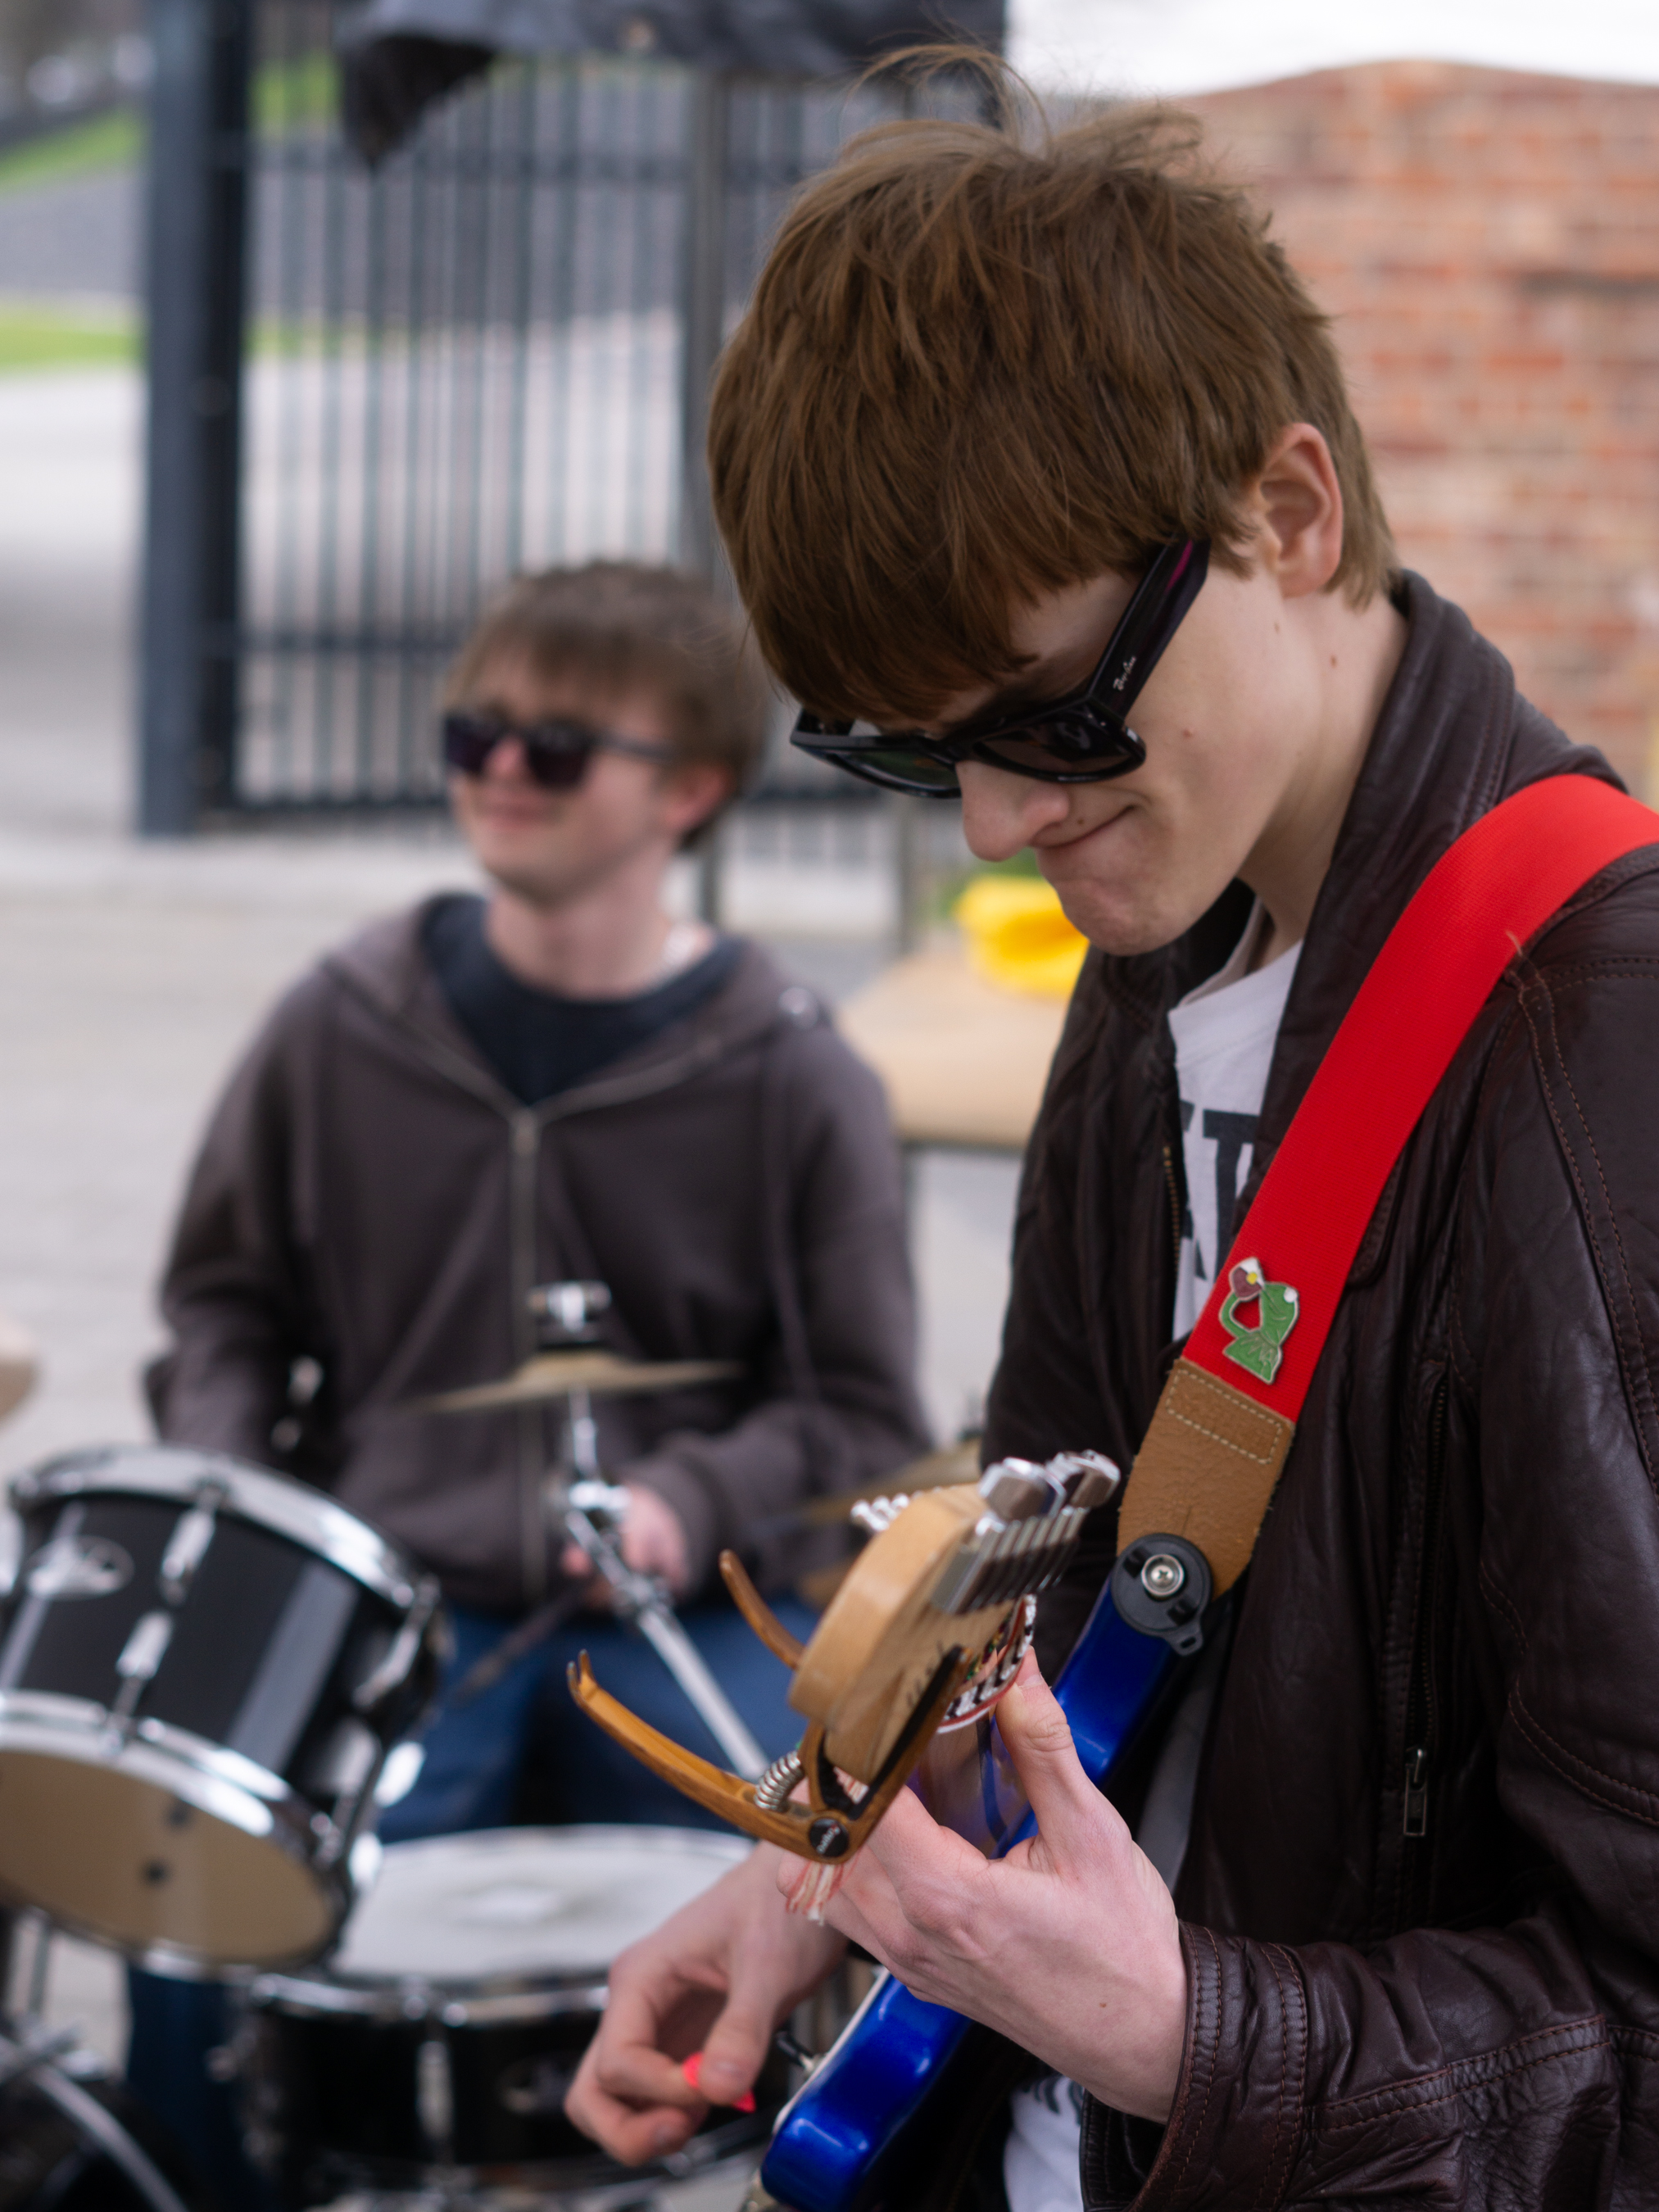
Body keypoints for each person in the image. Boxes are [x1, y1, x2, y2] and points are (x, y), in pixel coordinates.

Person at [566, 93, 1659, 2209]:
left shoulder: (1603, 1050)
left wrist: (1183, 2031)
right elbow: (1080, 1585)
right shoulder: (1158, 940)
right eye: (910, 747)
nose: (991, 821)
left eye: (1047, 708)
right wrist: (829, 1881)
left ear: (1289, 509)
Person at [130, 559, 930, 2201]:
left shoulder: (794, 1074)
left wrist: (680, 1500)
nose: (498, 767)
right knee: (188, 1945)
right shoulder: (339, 1025)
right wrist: (252, 1524)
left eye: (555, 745)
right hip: (403, 1619)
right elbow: (218, 1310)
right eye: (473, 732)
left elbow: (863, 1421)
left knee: (813, 1939)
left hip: (677, 1617)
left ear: (691, 788)